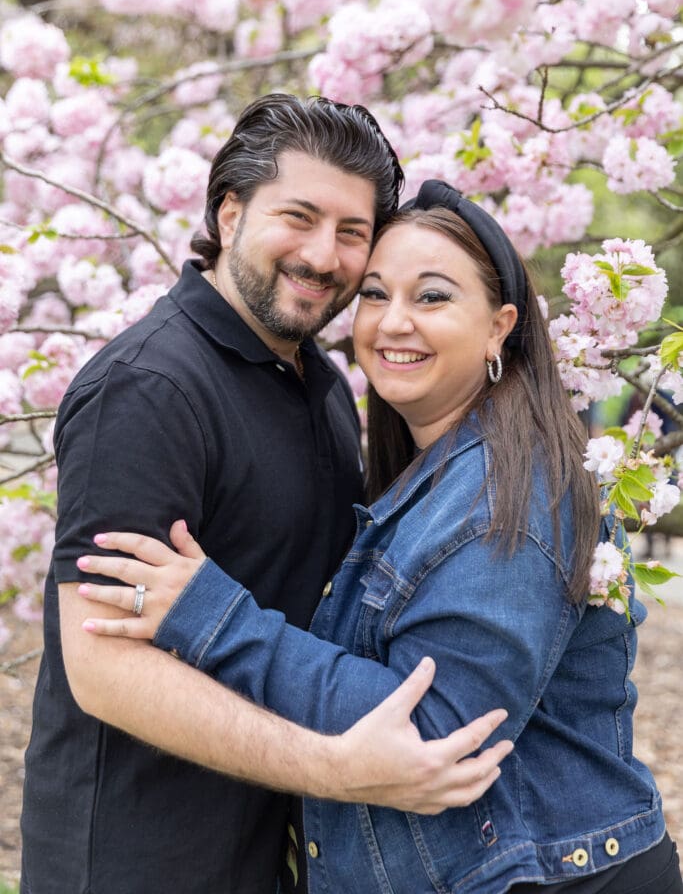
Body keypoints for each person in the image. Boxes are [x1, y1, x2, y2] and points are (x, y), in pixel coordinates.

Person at [79, 180, 682, 894]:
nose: (394, 322)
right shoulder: (432, 470)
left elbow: (432, 731)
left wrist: (214, 619)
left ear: (499, 327)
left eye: (431, 297)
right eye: (373, 294)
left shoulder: (510, 491)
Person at [20, 108, 512, 894]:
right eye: (298, 216)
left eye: (351, 232)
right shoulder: (149, 388)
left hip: (266, 852)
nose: (322, 255)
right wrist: (335, 768)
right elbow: (102, 667)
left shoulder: (322, 385)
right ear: (229, 213)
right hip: (138, 861)